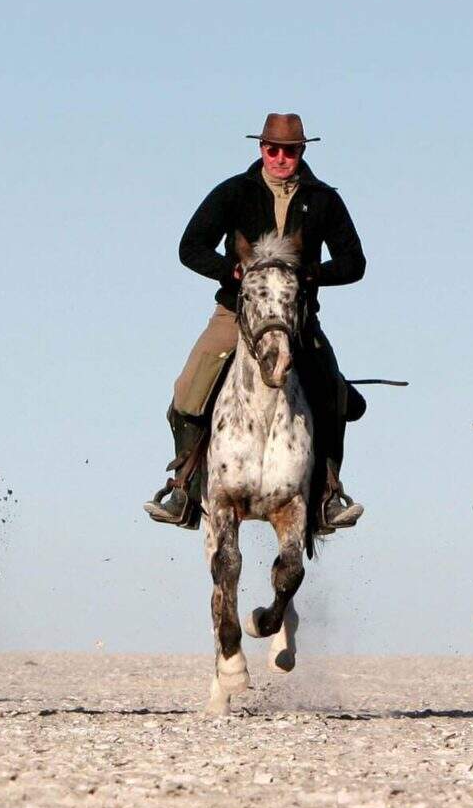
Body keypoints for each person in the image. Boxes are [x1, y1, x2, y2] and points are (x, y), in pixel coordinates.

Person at [143, 113, 367, 531]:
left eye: (290, 151)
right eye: (273, 149)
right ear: (261, 148)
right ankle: (184, 489)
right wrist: (230, 270)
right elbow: (190, 247)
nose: (281, 158)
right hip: (236, 313)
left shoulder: (324, 200)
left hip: (297, 320)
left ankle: (328, 493)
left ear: (302, 151)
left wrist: (313, 274)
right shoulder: (234, 192)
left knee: (334, 392)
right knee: (189, 388)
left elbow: (354, 262)